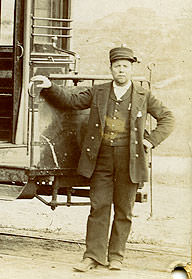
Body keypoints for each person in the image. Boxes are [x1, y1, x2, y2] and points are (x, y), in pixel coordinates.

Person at [31, 46, 174, 272]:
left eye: (125, 67)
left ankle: (116, 256)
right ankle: (93, 256)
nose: (121, 71)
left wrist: (150, 141)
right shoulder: (98, 92)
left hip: (129, 160)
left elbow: (167, 118)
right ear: (111, 69)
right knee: (99, 206)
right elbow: (71, 100)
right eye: (117, 66)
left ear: (131, 69)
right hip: (101, 158)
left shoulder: (143, 95)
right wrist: (50, 87)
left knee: (124, 210)